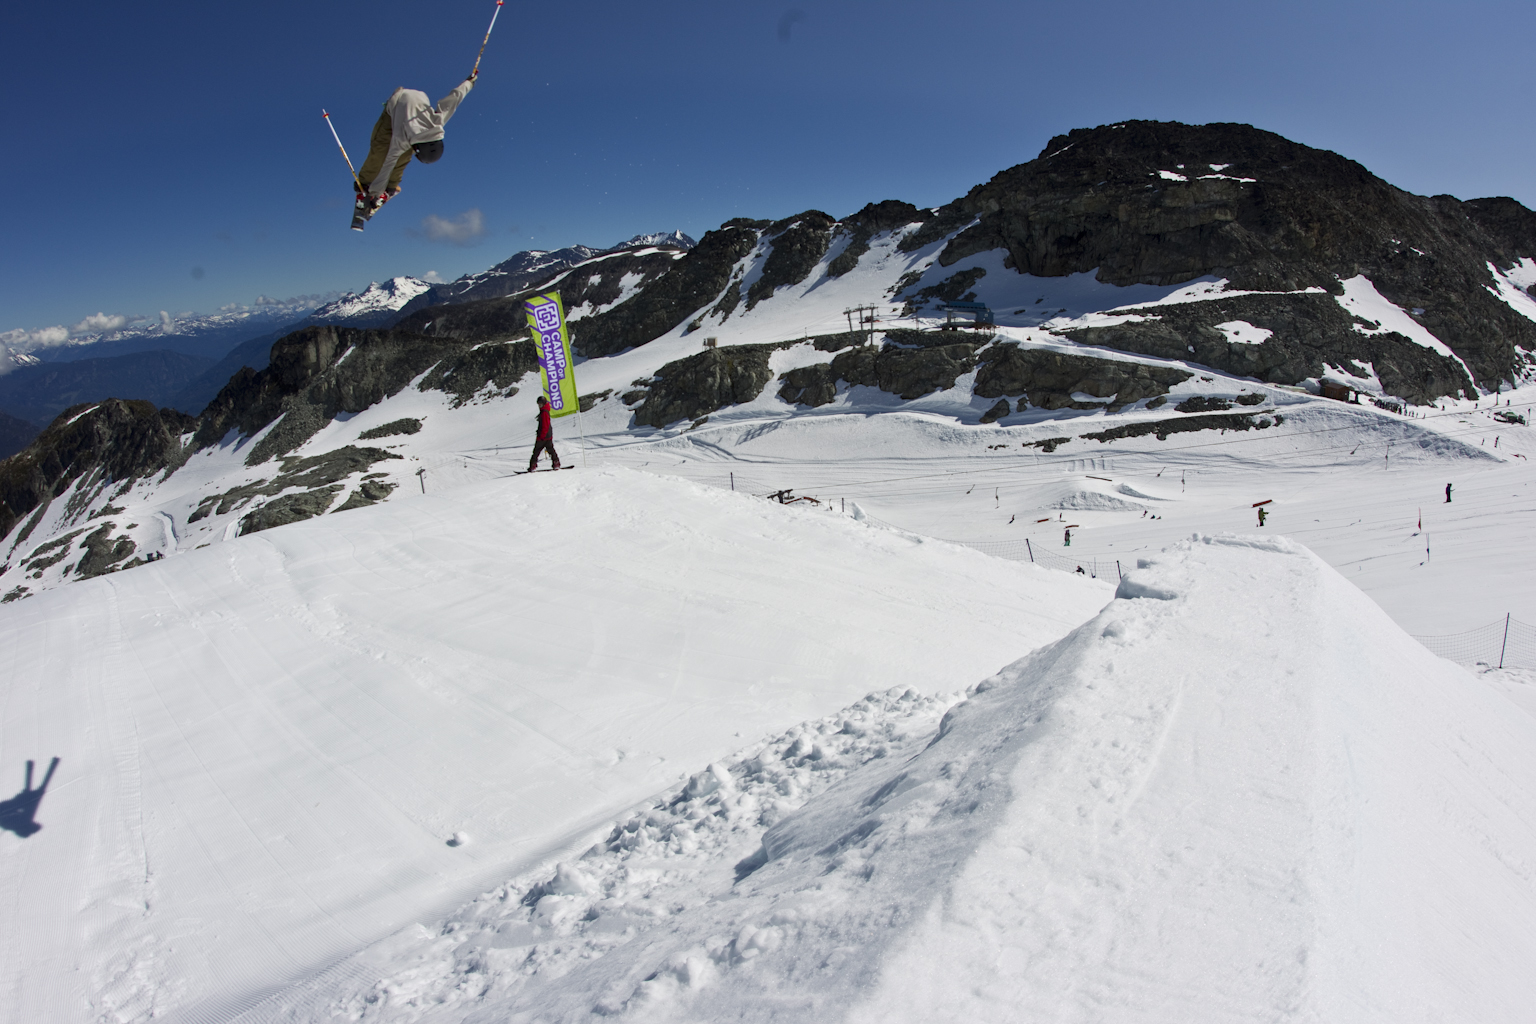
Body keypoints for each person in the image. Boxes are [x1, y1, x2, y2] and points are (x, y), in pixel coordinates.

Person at [352, 71, 477, 228]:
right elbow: (387, 165)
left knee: (403, 156)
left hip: (416, 105)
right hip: (394, 109)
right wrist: (373, 194)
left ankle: (391, 186)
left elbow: (455, 98)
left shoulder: (438, 123)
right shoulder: (401, 137)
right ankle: (366, 182)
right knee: (380, 151)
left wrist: (469, 82)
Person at [530, 395, 561, 471]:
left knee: (536, 451)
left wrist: (541, 436)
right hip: (548, 435)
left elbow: (545, 425)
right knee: (550, 449)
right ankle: (556, 463)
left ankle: (532, 466)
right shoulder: (545, 410)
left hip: (543, 436)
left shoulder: (544, 412)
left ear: (543, 403)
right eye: (538, 404)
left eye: (540, 404)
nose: (539, 406)